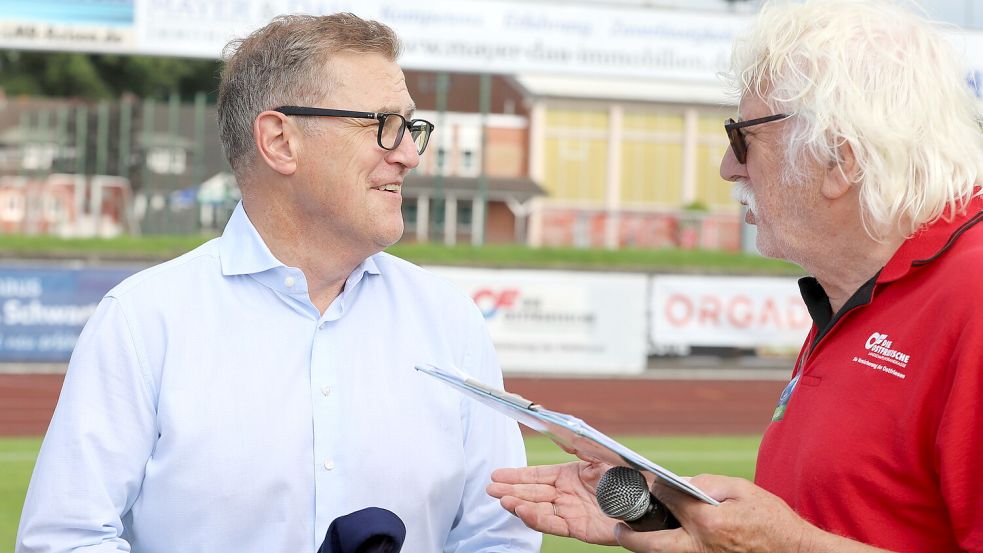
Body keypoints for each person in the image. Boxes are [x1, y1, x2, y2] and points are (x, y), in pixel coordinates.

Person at [17, 13, 541, 553]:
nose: (407, 153)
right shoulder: (144, 321)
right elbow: (66, 538)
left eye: (411, 128)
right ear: (280, 140)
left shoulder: (450, 323)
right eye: (383, 123)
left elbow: (496, 536)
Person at [487, 0, 983, 551]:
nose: (729, 166)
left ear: (838, 160)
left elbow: (800, 540)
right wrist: (678, 520)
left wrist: (787, 545)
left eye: (743, 134)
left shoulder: (971, 296)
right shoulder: (861, 291)